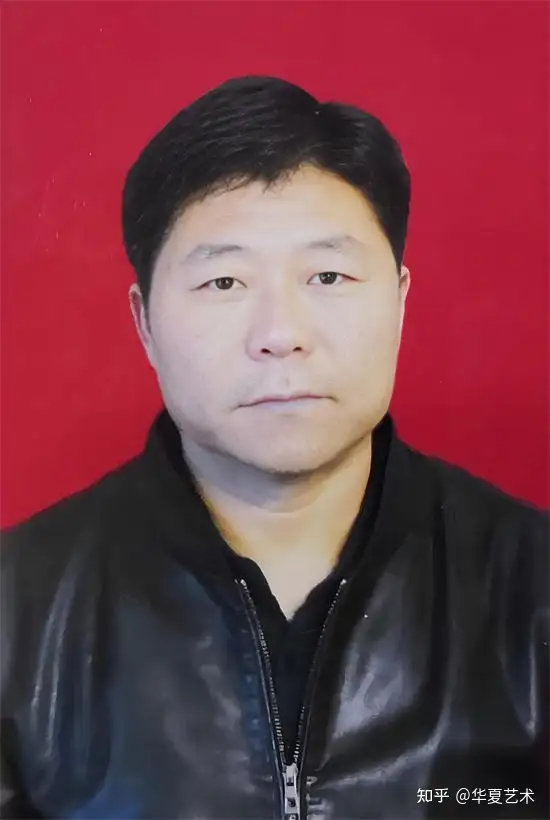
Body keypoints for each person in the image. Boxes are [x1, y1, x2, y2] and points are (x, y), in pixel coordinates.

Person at [1, 75, 548, 820]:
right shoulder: (18, 610)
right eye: (224, 281)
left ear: (399, 299)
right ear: (144, 323)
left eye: (328, 274)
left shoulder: (532, 588)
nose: (281, 334)